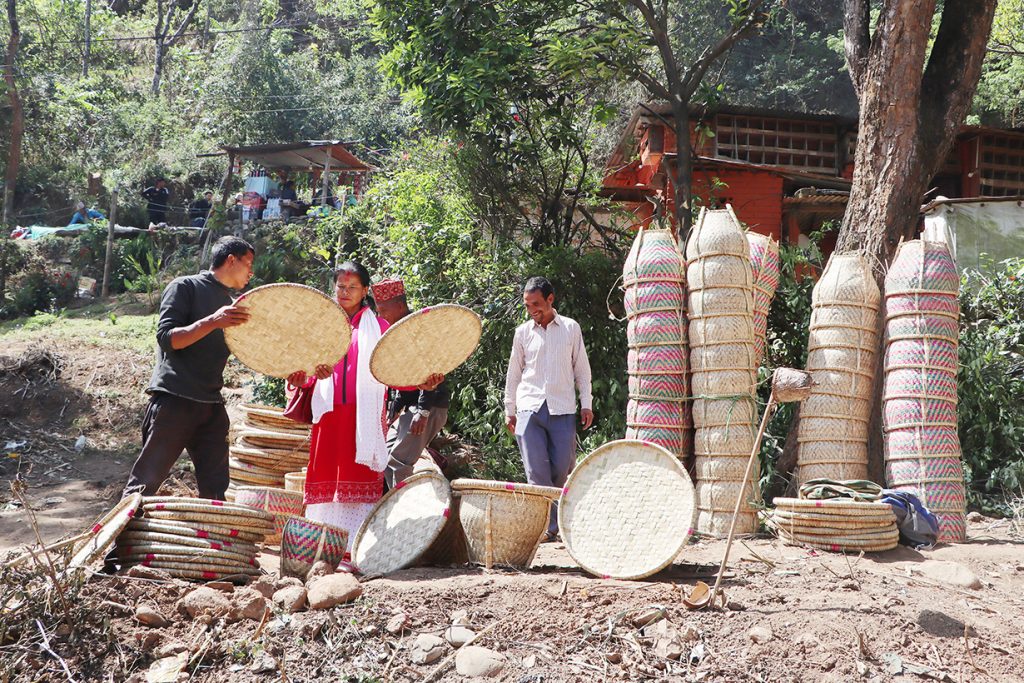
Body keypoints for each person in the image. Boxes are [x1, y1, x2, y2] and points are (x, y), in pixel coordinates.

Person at [286, 262, 442, 559]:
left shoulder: (381, 329)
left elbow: (398, 372)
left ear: (365, 291)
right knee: (328, 479)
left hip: (364, 420)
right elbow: (301, 369)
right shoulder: (320, 325)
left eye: (352, 288)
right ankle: (322, 550)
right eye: (340, 287)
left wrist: (425, 382)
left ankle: (355, 552)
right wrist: (302, 378)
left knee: (358, 478)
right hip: (330, 418)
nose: (345, 293)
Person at [121, 236, 255, 500]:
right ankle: (115, 540)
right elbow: (168, 338)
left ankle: (214, 540)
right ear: (231, 260)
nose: (251, 272)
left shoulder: (233, 306)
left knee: (216, 488)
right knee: (144, 484)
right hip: (175, 399)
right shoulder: (185, 286)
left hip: (211, 405)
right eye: (248, 264)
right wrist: (212, 321)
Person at [504, 276, 593, 541]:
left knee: (562, 468)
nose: (532, 310)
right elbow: (513, 373)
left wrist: (586, 403)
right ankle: (544, 528)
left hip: (562, 408)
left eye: (537, 303)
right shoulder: (522, 333)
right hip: (528, 408)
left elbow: (582, 368)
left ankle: (562, 524)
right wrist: (510, 408)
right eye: (528, 305)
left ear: (550, 300)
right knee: (536, 471)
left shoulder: (570, 328)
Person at [374, 278, 451, 489]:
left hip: (428, 406)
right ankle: (393, 507)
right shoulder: (396, 332)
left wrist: (423, 413)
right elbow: (400, 378)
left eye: (383, 310)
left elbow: (430, 376)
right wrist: (395, 407)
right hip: (410, 407)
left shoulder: (419, 331)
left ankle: (405, 513)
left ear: (400, 306)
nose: (380, 316)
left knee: (399, 462)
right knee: (385, 457)